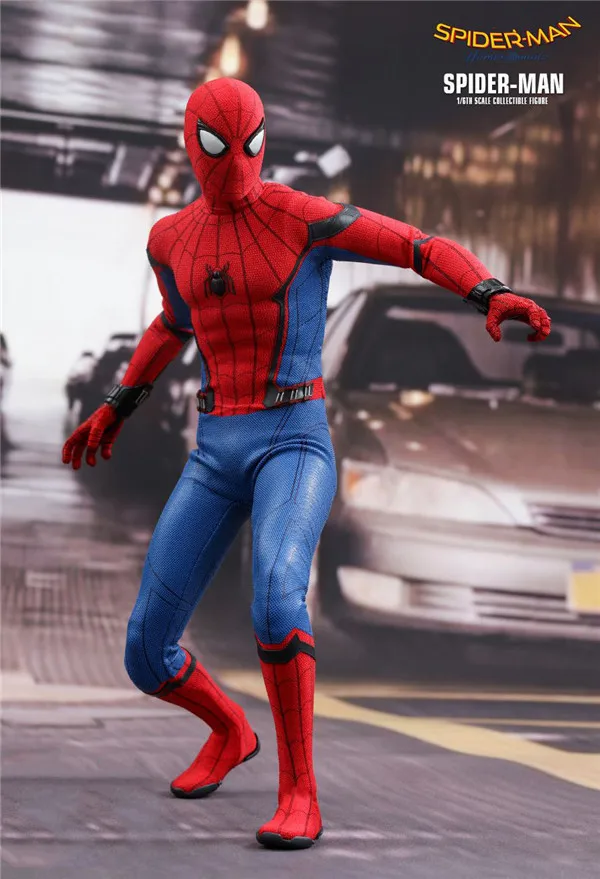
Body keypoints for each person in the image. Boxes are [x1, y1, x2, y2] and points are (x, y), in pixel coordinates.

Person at [62, 77, 551, 849]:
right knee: (145, 652)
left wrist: (487, 289)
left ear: (266, 140)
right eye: (218, 146)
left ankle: (300, 791)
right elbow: (173, 323)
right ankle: (230, 730)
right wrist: (117, 405)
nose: (236, 163)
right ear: (191, 146)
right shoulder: (170, 239)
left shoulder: (303, 217)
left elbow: (415, 244)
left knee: (277, 597)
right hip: (216, 447)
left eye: (250, 144)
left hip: (293, 437)